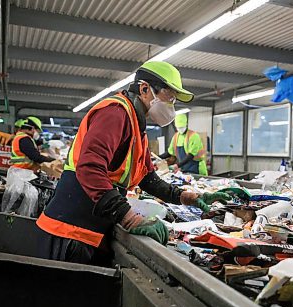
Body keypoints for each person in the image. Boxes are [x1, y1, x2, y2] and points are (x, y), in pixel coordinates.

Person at [35, 61, 230, 265]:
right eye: (169, 97)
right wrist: (128, 217)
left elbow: (147, 178)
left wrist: (184, 197)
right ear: (145, 89)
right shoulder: (115, 113)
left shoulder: (137, 127)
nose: (171, 107)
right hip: (68, 232)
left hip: (90, 231)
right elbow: (89, 168)